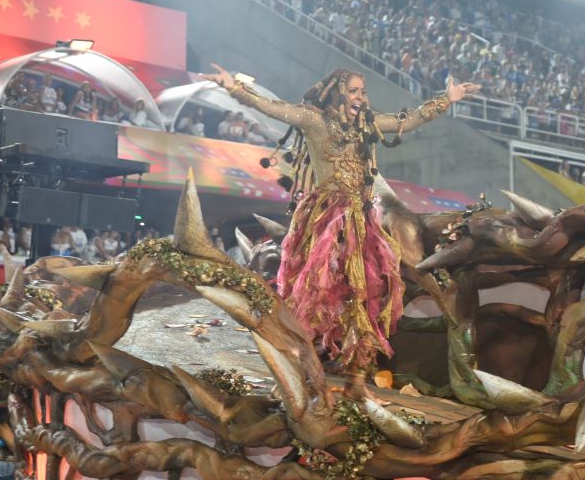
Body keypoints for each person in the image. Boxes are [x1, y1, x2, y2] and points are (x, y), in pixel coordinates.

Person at [202, 64, 479, 400]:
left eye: (363, 91)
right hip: (324, 223)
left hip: (362, 224)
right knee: (310, 299)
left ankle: (358, 382)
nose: (361, 98)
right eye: (354, 91)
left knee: (364, 300)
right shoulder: (315, 121)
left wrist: (447, 99)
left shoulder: (368, 123)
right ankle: (291, 373)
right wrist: (234, 88)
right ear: (337, 93)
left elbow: (407, 120)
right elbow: (273, 108)